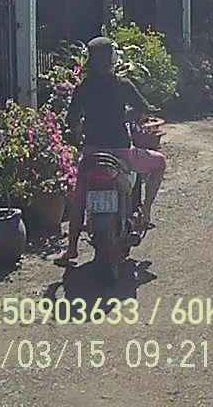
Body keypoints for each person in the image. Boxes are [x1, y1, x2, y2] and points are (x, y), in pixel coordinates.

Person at [59, 37, 166, 264]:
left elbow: (71, 120)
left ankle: (71, 249)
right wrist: (133, 117)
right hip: (121, 154)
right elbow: (143, 108)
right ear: (112, 60)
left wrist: (78, 132)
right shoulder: (123, 84)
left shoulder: (83, 88)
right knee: (160, 162)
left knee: (79, 199)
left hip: (92, 155)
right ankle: (146, 211)